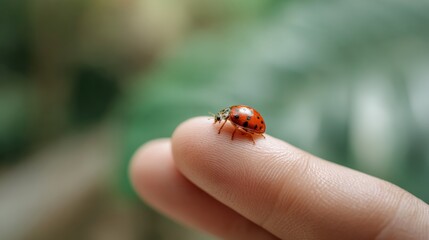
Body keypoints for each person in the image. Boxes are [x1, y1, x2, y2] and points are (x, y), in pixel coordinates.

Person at [130, 117, 428, 239]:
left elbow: (243, 126)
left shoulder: (234, 120)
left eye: (221, 119)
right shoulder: (234, 118)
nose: (219, 122)